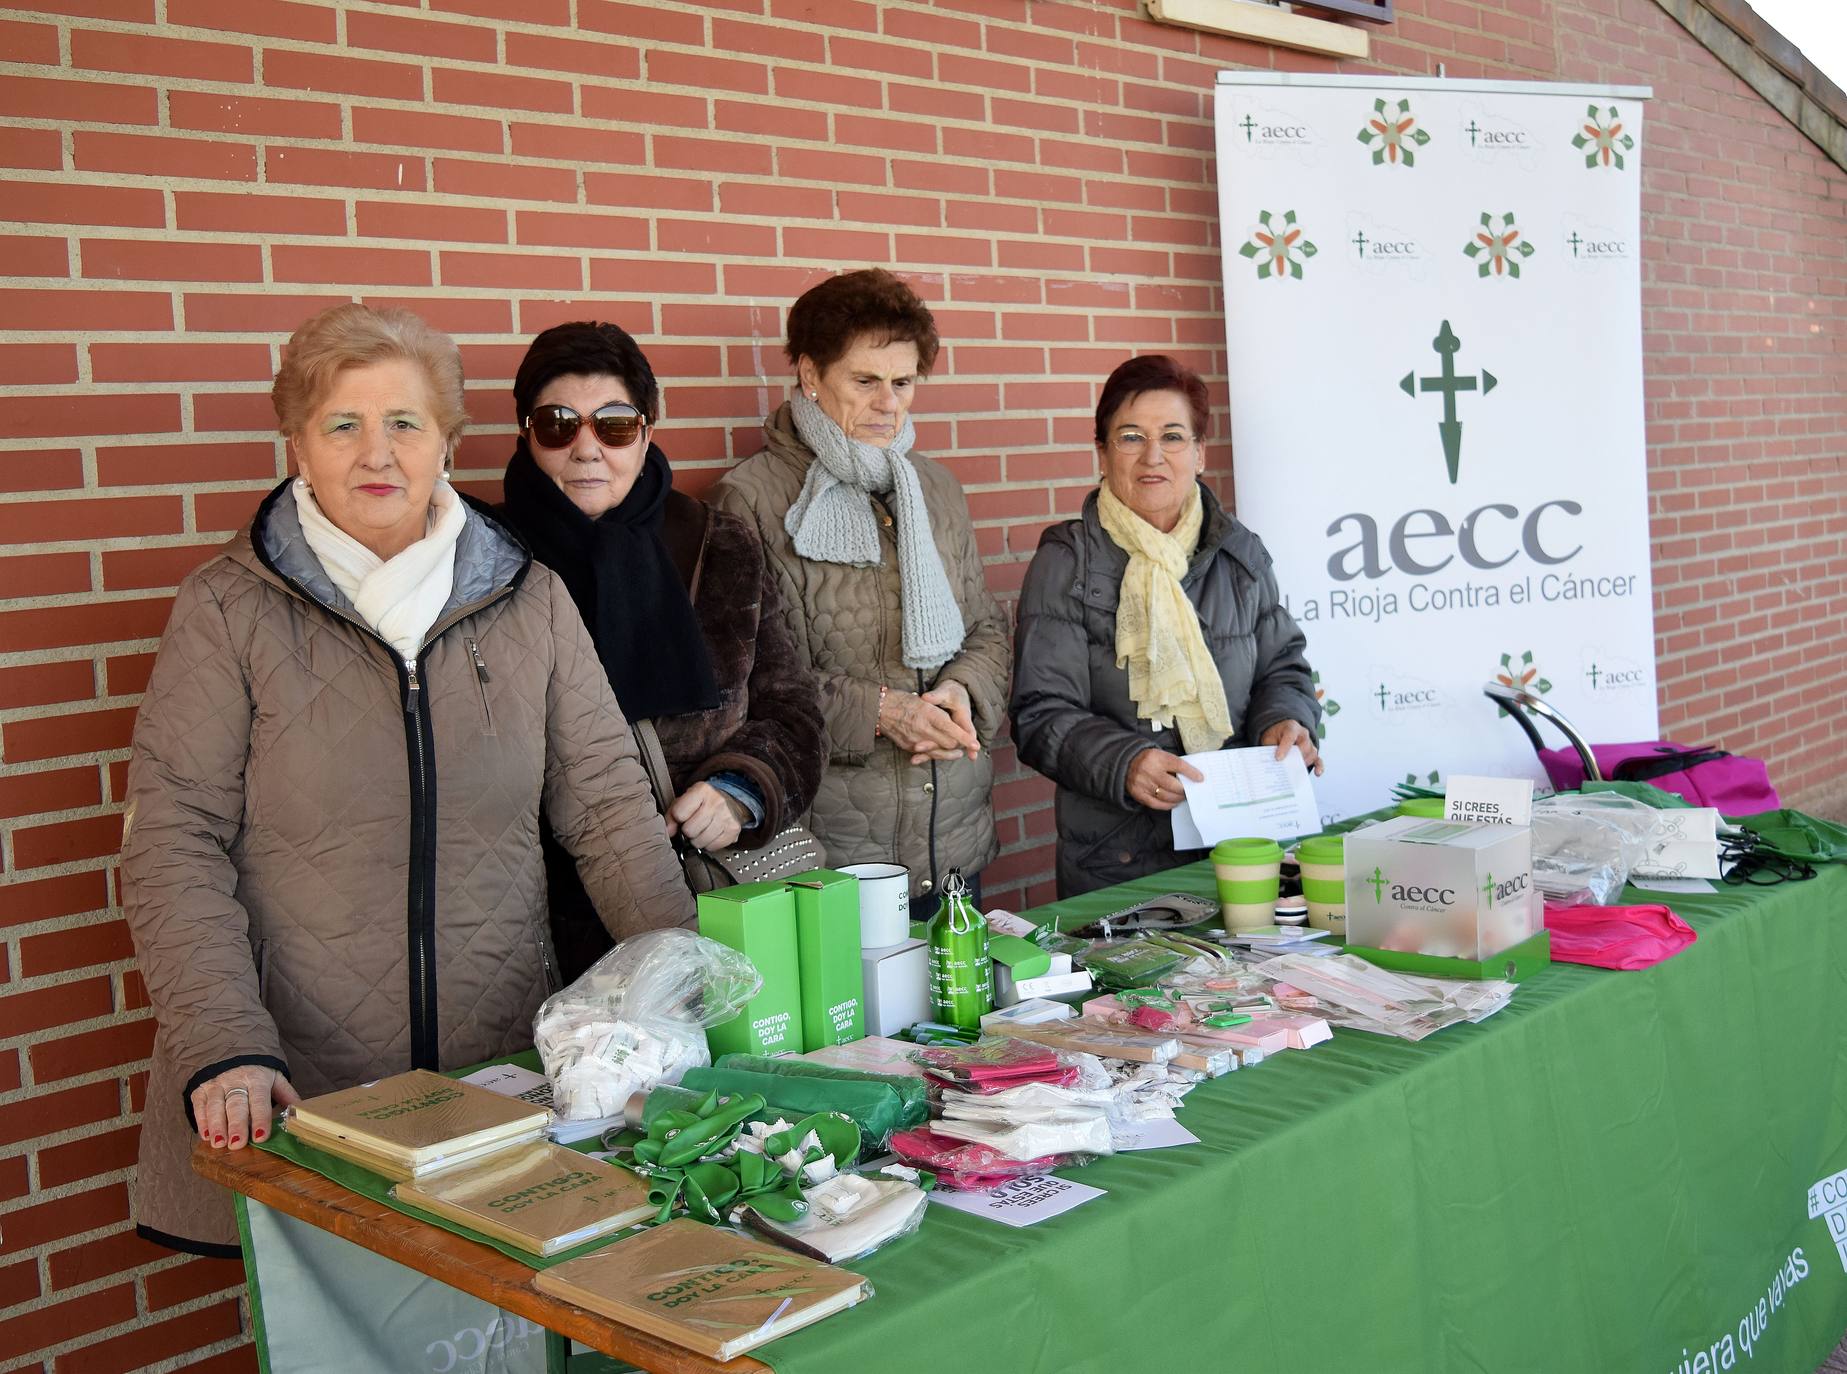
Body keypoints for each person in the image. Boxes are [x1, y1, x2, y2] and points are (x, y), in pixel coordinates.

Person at [120, 304, 695, 1255]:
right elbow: (173, 842)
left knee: (508, 1328)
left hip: (503, 1065)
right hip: (303, 1075)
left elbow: (606, 809)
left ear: (447, 442)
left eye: (405, 424)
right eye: (342, 424)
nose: (375, 454)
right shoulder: (227, 610)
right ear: (297, 445)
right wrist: (225, 1045)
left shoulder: (531, 598)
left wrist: (681, 986)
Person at [498, 321, 825, 980]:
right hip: (530, 930)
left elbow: (793, 712)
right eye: (559, 423)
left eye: (613, 425)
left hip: (700, 898)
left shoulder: (717, 546)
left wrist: (739, 791)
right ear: (526, 436)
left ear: (646, 432)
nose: (587, 448)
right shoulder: (485, 561)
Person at [713, 269, 1009, 917]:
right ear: (810, 375)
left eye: (902, 382)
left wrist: (959, 691)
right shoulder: (751, 499)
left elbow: (986, 627)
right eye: (865, 381)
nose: (888, 403)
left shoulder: (935, 489)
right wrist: (881, 711)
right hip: (836, 856)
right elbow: (749, 681)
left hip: (951, 841)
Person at [1010, 354, 1322, 897]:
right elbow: (1039, 713)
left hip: (1241, 846)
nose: (1153, 455)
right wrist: (1124, 763)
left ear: (1199, 453)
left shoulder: (1237, 554)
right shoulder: (1068, 561)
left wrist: (1286, 720)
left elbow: (1284, 666)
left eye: (1173, 436)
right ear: (1102, 453)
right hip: (1118, 859)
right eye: (1131, 436)